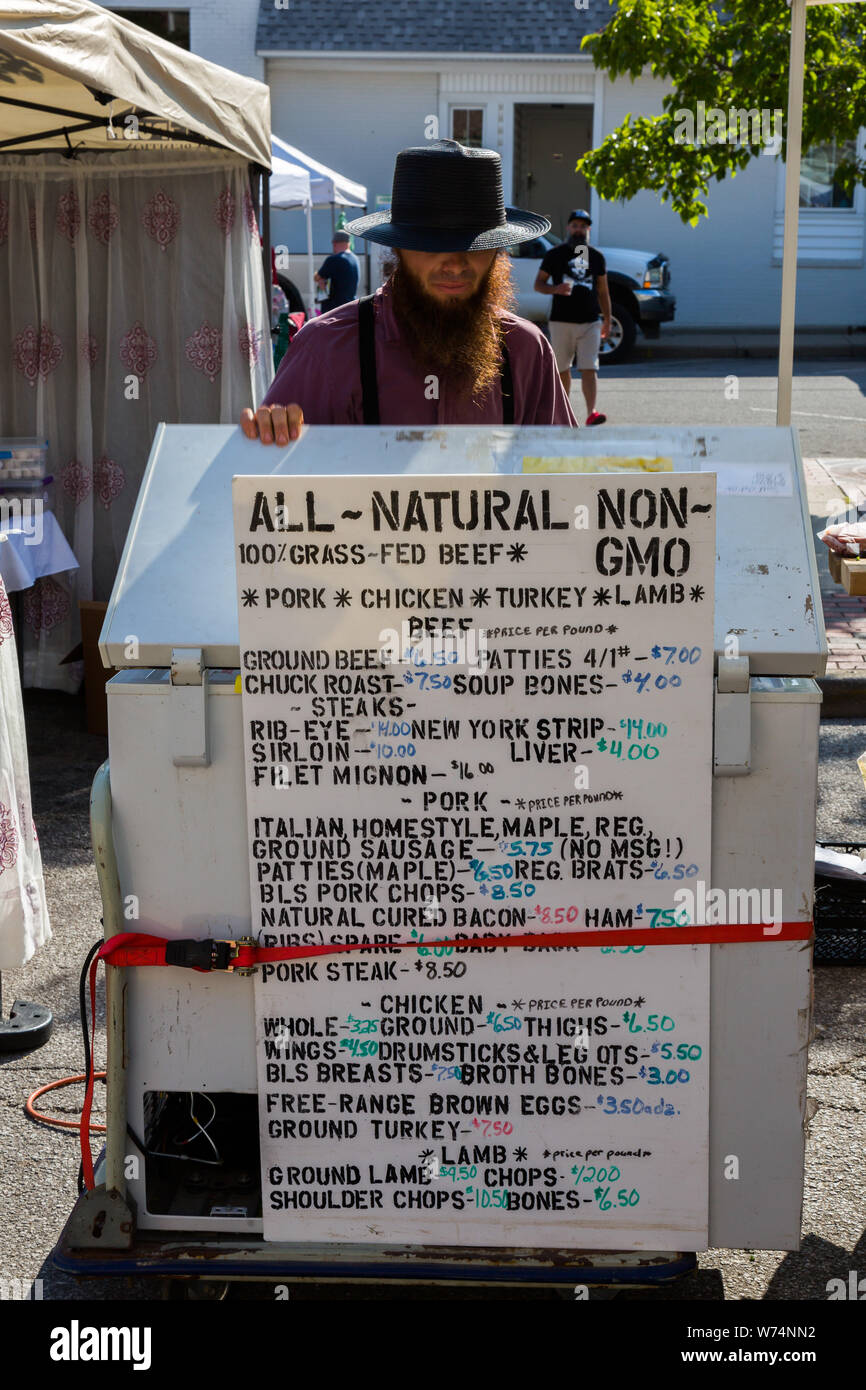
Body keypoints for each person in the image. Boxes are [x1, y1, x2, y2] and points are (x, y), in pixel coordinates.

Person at [240, 140, 577, 444]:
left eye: (475, 246)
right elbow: (270, 491)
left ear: (497, 252)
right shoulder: (326, 349)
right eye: (432, 245)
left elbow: (566, 479)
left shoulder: (526, 351)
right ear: (398, 249)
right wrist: (271, 434)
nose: (456, 264)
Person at [534, 209, 611, 426]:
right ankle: (562, 413)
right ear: (568, 228)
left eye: (583, 226)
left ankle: (591, 413)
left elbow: (603, 291)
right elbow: (538, 284)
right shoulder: (555, 255)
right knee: (562, 369)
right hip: (561, 321)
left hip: (590, 322)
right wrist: (555, 289)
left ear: (589, 230)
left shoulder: (596, 257)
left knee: (589, 367)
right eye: (575, 226)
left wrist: (607, 318)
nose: (579, 230)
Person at [314, 231, 360, 312]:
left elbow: (317, 277)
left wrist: (318, 276)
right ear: (348, 243)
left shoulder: (334, 259)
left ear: (334, 243)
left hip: (334, 310)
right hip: (350, 307)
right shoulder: (355, 259)